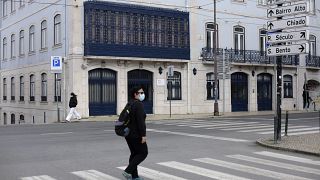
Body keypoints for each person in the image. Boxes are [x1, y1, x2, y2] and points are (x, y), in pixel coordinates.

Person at [122, 86, 148, 180]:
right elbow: (140, 122)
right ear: (135, 94)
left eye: (143, 92)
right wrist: (143, 135)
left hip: (128, 134)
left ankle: (134, 176)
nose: (142, 94)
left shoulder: (130, 103)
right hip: (136, 134)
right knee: (143, 153)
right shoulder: (138, 104)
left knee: (134, 153)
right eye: (140, 93)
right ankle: (128, 171)